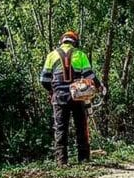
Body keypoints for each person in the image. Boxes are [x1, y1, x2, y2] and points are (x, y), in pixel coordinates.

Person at [39, 31, 105, 165]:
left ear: (62, 41)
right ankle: (84, 159)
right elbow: (89, 76)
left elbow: (44, 79)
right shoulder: (80, 54)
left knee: (60, 128)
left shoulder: (51, 55)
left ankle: (61, 161)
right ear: (75, 42)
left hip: (59, 98)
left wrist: (52, 91)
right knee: (81, 127)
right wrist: (100, 87)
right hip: (78, 97)